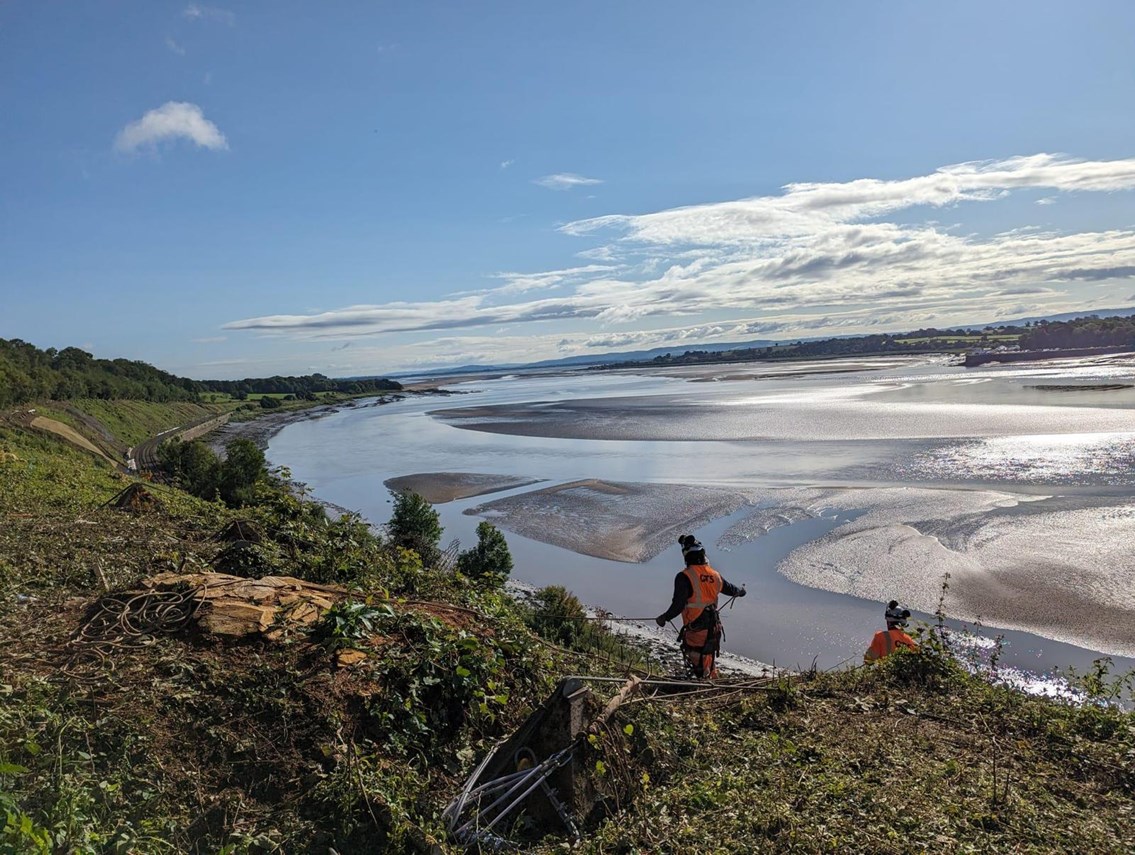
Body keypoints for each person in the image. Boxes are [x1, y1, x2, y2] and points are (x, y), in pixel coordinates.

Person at [655, 534, 746, 679]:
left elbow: (678, 605)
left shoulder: (684, 576)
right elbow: (731, 590)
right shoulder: (715, 575)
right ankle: (711, 681)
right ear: (703, 555)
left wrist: (664, 617)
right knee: (708, 656)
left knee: (697, 657)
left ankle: (703, 686)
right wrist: (741, 591)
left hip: (696, 627)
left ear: (686, 557)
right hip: (713, 626)